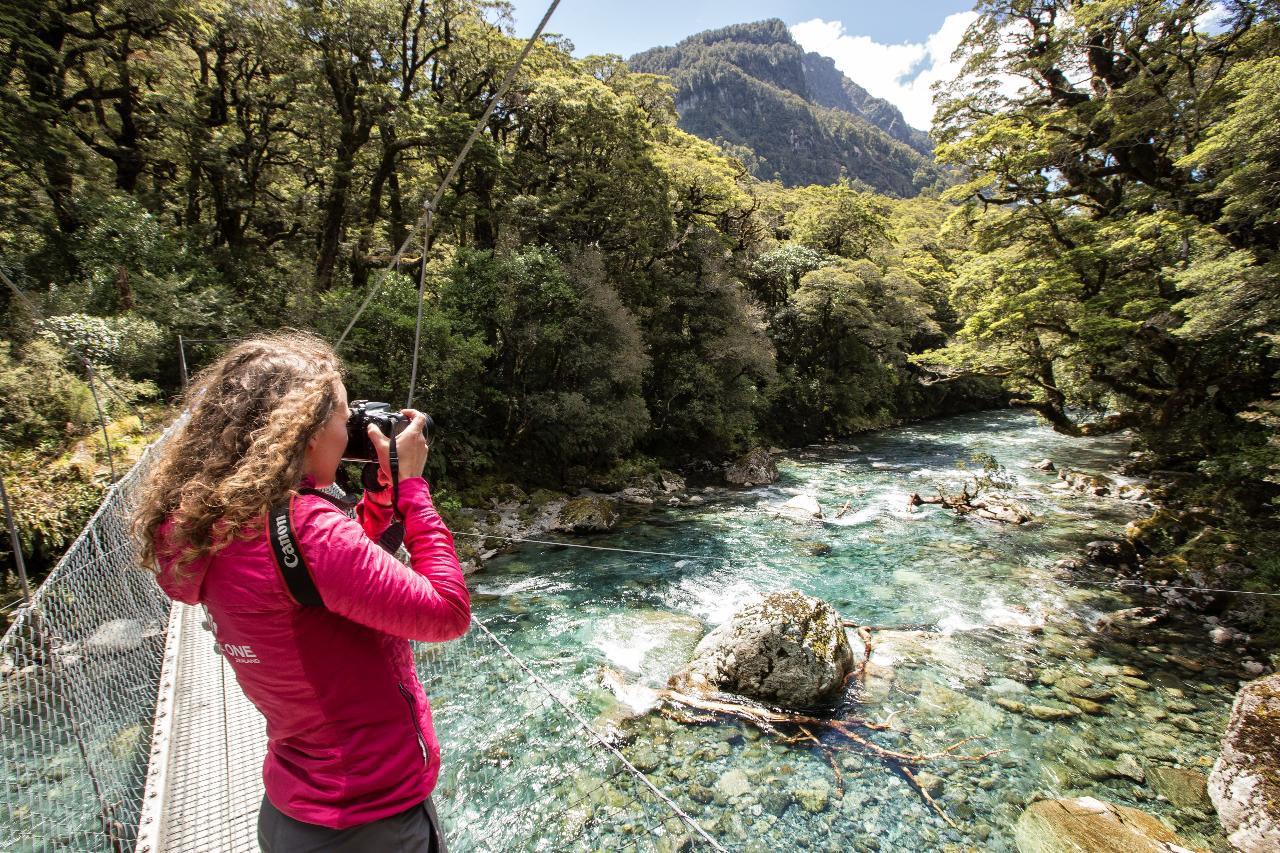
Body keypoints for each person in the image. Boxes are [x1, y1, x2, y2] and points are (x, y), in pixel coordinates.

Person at [133, 332, 470, 852]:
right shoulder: (306, 530)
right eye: (343, 413)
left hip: (295, 810)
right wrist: (413, 491)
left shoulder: (208, 524)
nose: (353, 426)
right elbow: (447, 613)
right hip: (371, 820)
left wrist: (380, 498)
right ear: (308, 434)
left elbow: (336, 578)